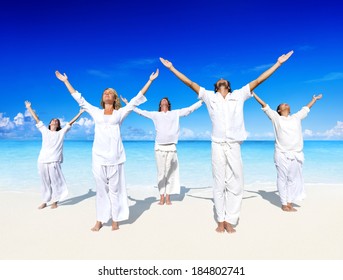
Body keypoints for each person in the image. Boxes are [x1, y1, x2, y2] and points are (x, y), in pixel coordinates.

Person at [160, 51, 294, 233]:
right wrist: (172, 68)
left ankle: (231, 218)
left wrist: (278, 63)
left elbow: (259, 80)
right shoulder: (209, 96)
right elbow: (190, 83)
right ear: (216, 87)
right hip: (217, 144)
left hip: (234, 144)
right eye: (219, 81)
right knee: (218, 182)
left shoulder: (239, 95)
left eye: (225, 80)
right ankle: (220, 219)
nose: (222, 79)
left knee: (237, 182)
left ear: (228, 86)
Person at [55, 69, 159, 231]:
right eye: (105, 93)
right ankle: (100, 219)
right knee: (101, 190)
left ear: (114, 98)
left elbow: (136, 100)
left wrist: (150, 81)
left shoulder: (120, 113)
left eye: (110, 93)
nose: (107, 94)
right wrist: (65, 81)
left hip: (116, 158)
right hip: (98, 157)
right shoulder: (95, 112)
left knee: (116, 190)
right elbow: (80, 99)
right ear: (102, 98)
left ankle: (116, 219)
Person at [121, 95, 203, 205]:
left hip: (171, 147)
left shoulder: (175, 113)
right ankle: (161, 196)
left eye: (166, 100)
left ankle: (168, 197)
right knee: (161, 173)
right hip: (159, 147)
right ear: (160, 105)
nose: (164, 100)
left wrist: (202, 101)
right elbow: (141, 112)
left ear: (168, 104)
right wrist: (128, 104)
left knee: (169, 173)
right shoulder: (155, 115)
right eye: (162, 100)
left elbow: (189, 110)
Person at [252, 91, 323, 211]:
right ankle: (284, 203)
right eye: (283, 104)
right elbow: (265, 106)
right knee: (282, 177)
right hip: (281, 153)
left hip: (296, 153)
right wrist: (253, 94)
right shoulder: (276, 118)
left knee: (292, 179)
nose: (286, 104)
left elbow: (305, 108)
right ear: (279, 110)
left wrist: (314, 100)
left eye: (287, 104)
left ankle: (289, 201)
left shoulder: (296, 117)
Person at [25, 101, 84, 209]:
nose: (55, 121)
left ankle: (55, 201)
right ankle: (45, 200)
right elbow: (36, 119)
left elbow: (70, 123)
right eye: (53, 120)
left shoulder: (60, 133)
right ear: (50, 123)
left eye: (57, 121)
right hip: (42, 160)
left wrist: (80, 113)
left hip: (54, 161)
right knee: (45, 182)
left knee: (56, 181)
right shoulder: (44, 131)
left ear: (58, 125)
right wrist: (29, 108)